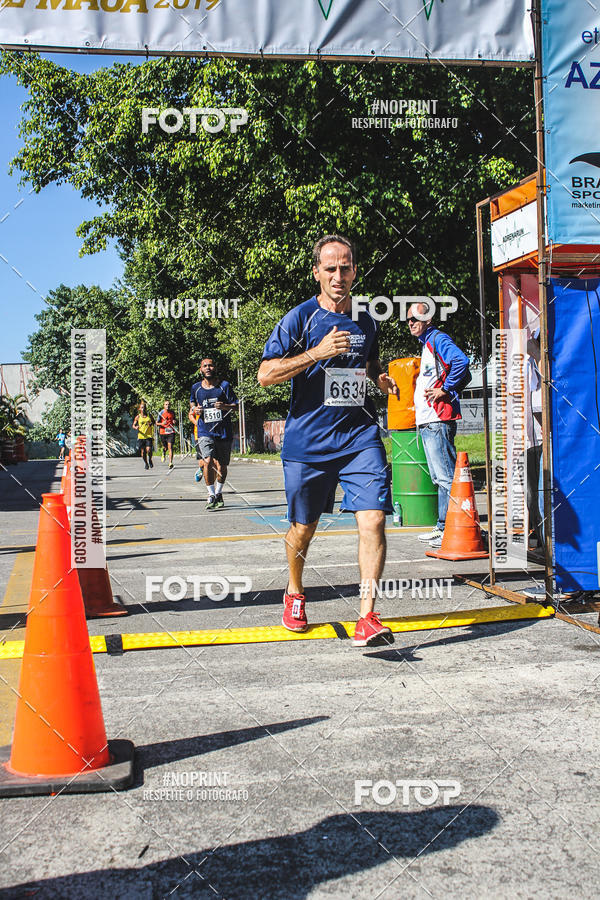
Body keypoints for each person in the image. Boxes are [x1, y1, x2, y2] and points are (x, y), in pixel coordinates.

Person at [257, 234, 399, 647]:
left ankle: (367, 616)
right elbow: (266, 374)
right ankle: (295, 592)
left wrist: (380, 378)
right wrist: (315, 354)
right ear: (317, 272)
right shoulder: (298, 320)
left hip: (359, 436)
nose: (339, 275)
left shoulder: (367, 319)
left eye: (347, 267)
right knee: (304, 529)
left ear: (355, 270)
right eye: (331, 268)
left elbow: (368, 361)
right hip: (309, 443)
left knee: (373, 519)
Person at [407, 302, 469, 548]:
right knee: (439, 477)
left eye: (415, 318)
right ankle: (443, 525)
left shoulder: (437, 339)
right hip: (430, 420)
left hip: (438, 419)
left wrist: (445, 389)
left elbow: (461, 361)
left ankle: (452, 528)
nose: (410, 322)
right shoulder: (427, 344)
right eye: (407, 319)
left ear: (428, 319)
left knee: (446, 477)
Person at [189, 359, 238, 510]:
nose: (208, 368)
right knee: (208, 461)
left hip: (223, 431)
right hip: (205, 431)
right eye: (205, 366)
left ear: (215, 367)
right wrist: (195, 409)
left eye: (210, 365)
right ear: (200, 370)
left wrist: (225, 406)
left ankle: (218, 492)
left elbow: (236, 406)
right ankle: (210, 494)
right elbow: (192, 402)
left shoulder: (224, 386)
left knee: (222, 465)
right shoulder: (196, 388)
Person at [132, 401, 156, 470]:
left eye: (144, 407)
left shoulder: (149, 415)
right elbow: (133, 425)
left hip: (148, 436)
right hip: (141, 436)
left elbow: (153, 422)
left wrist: (151, 424)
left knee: (149, 450)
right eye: (142, 408)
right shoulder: (138, 417)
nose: (143, 409)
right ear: (139, 409)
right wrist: (136, 427)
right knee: (143, 452)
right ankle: (146, 463)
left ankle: (150, 460)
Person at [157, 400, 177, 468]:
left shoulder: (172, 412)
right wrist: (162, 424)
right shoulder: (161, 413)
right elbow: (156, 423)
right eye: (166, 404)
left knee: (170, 447)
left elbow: (174, 419)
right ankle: (164, 452)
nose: (167, 405)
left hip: (171, 431)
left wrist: (174, 421)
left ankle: (170, 462)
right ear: (164, 405)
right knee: (165, 447)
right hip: (163, 432)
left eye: (168, 404)